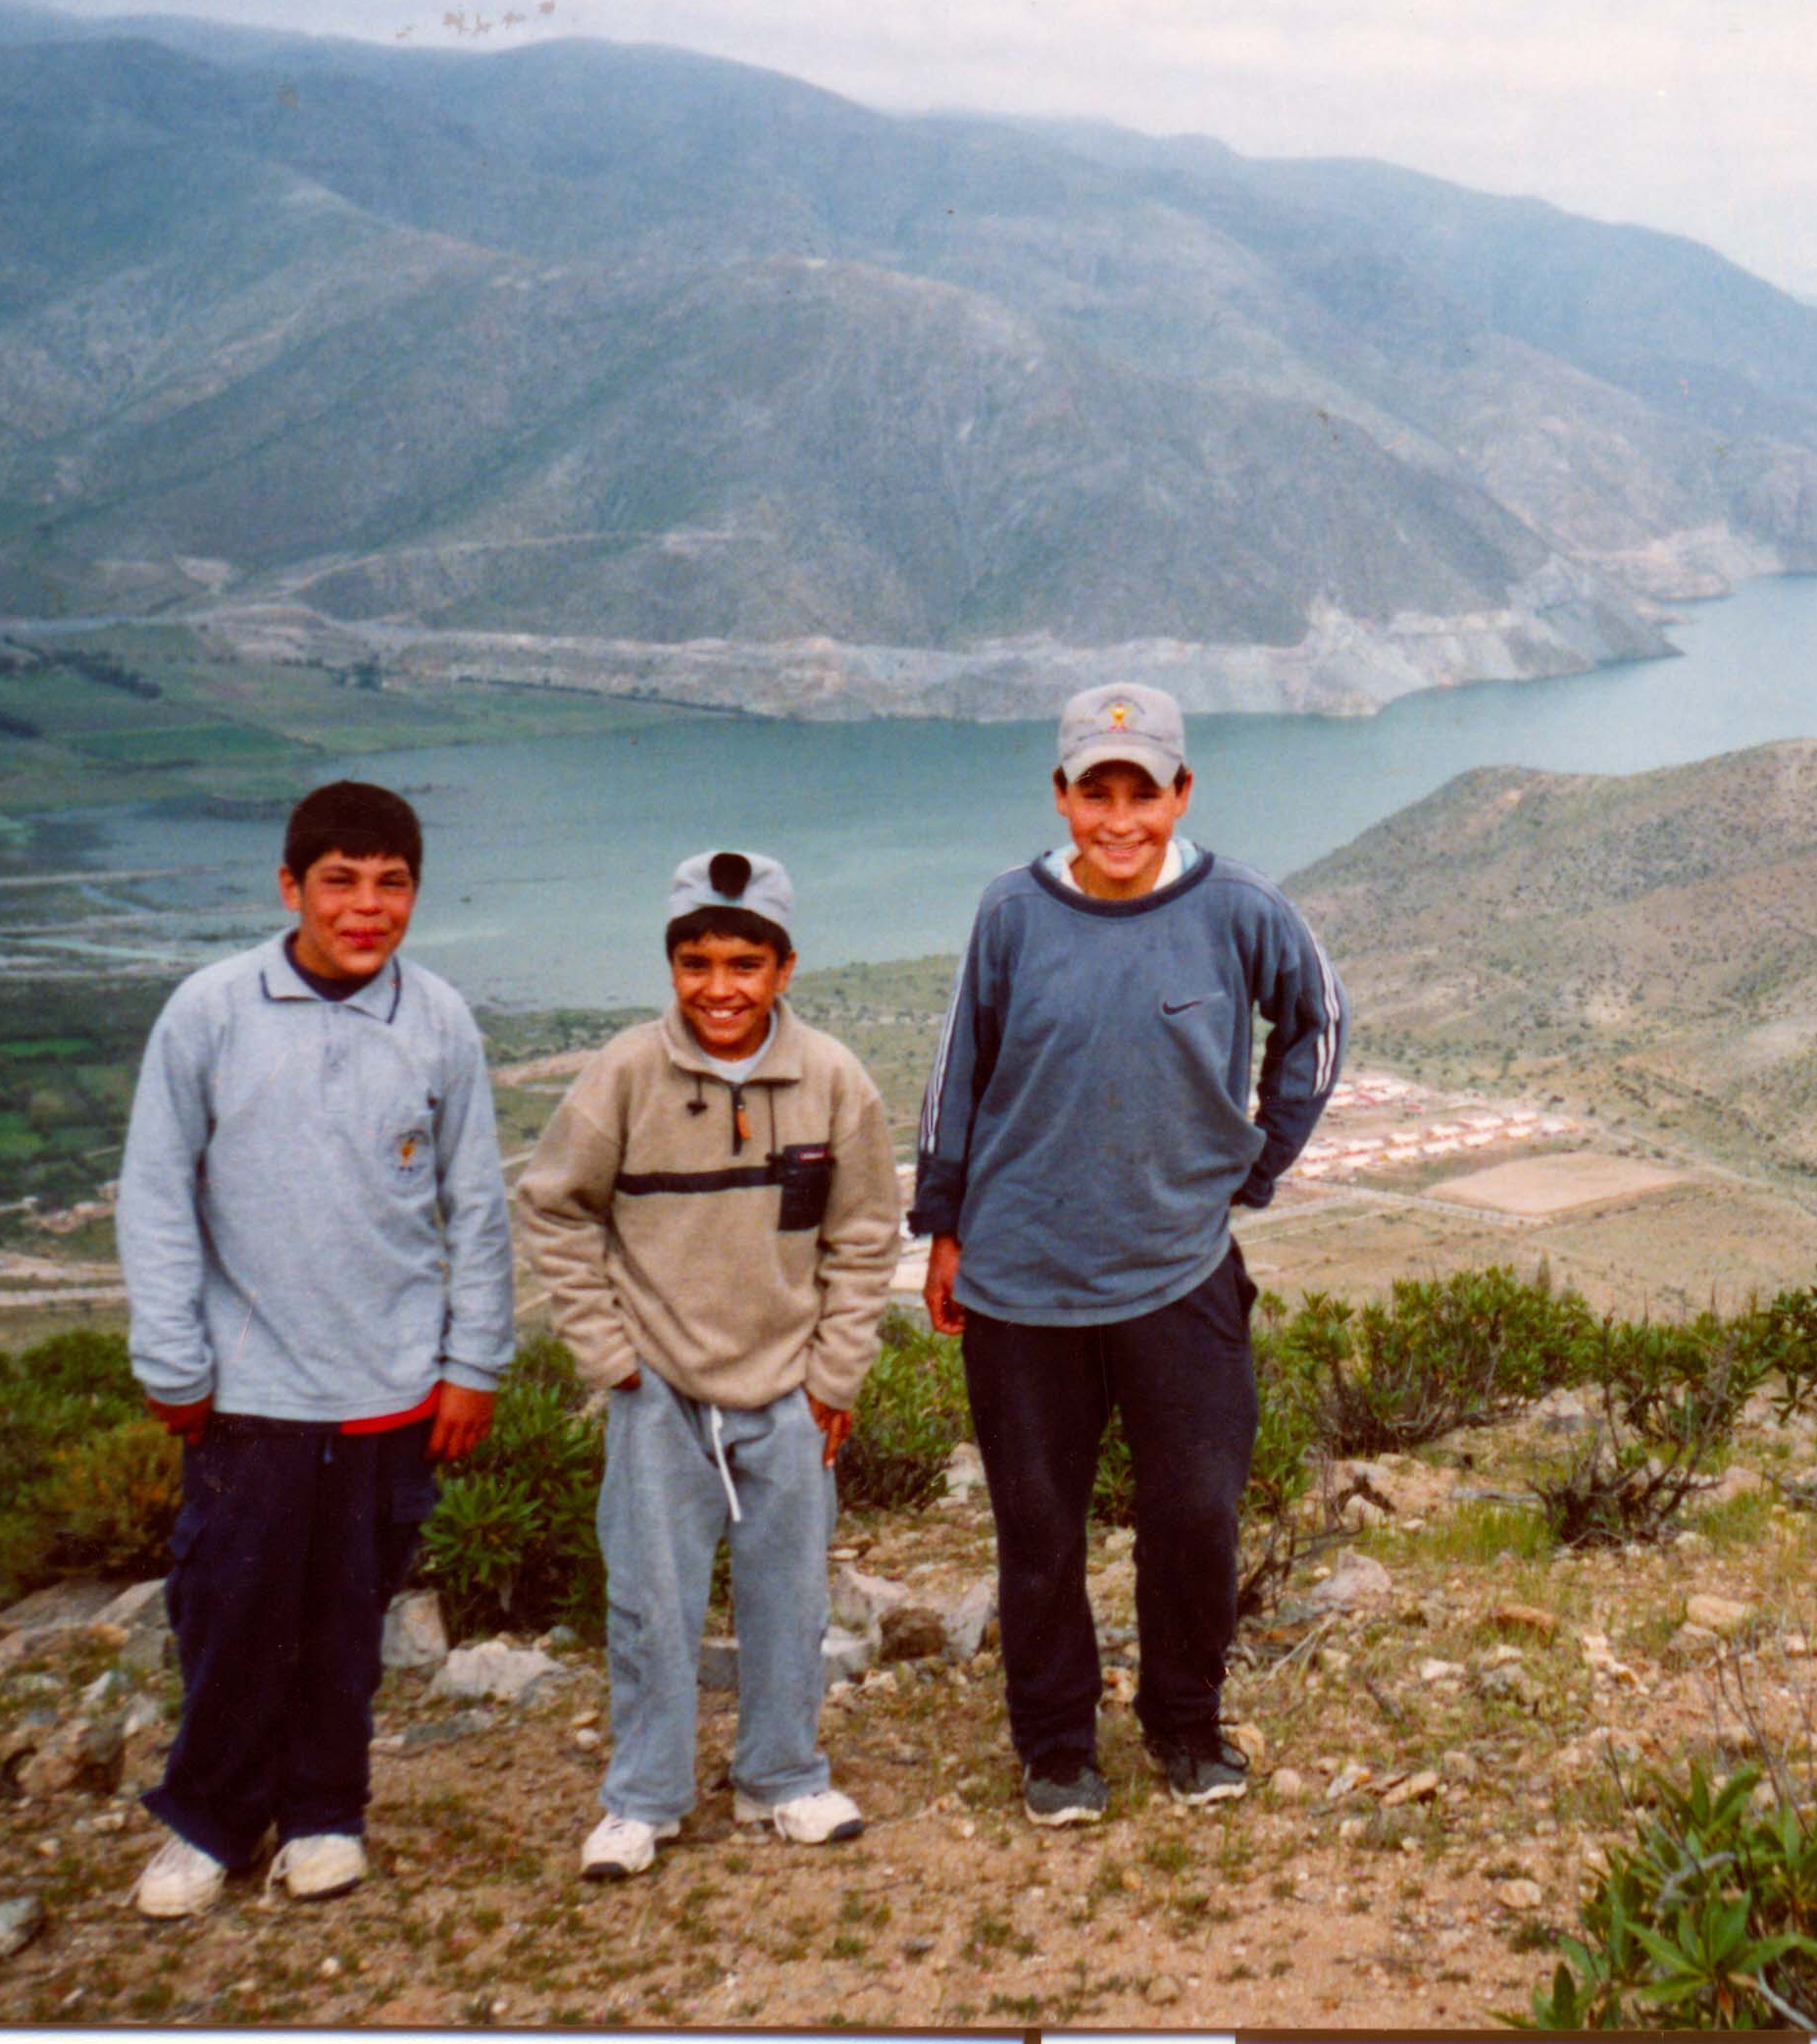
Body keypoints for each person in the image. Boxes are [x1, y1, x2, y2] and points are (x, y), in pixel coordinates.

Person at [911, 681, 1346, 1824]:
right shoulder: (1009, 912)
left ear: (1180, 792)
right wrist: (944, 1224)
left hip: (1179, 1270)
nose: (1116, 818)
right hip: (1021, 1277)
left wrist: (1257, 1161)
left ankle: (1184, 1725)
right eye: (1092, 792)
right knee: (1039, 1528)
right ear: (1059, 795)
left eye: (1140, 792)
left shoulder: (1240, 906)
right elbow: (957, 1071)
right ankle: (1056, 1747)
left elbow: (1320, 1021)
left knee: (1197, 1509)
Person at [116, 780, 515, 1917]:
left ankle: (327, 1811)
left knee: (349, 1613)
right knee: (232, 1610)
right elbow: (154, 1192)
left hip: (392, 1388)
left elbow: (475, 1204)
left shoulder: (437, 1020)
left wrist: (472, 1360)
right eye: (339, 879)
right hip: (252, 1390)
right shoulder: (210, 1011)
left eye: (391, 882)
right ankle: (209, 1818)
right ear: (290, 885)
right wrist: (174, 1362)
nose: (366, 905)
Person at [518, 848, 903, 1880]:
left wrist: (835, 1375)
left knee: (790, 1593)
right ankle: (644, 1796)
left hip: (786, 1388)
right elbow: (554, 1204)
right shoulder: (626, 1074)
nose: (718, 987)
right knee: (651, 1598)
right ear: (672, 965)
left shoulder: (831, 1079)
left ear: (784, 967)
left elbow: (866, 1235)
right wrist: (608, 1354)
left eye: (744, 962)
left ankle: (783, 1773)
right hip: (658, 1392)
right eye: (696, 961)